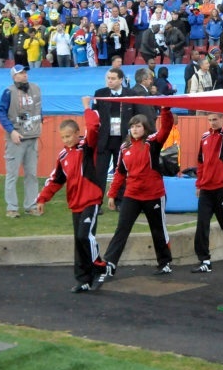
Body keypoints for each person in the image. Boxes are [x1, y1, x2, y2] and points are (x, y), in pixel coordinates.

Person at [93, 109, 175, 288]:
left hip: (154, 195)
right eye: (132, 127)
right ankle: (110, 264)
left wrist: (166, 110)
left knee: (158, 229)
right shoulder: (124, 148)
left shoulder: (152, 142)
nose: (135, 130)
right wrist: (112, 194)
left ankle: (165, 263)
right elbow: (120, 173)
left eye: (138, 126)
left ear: (145, 129)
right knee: (121, 229)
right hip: (132, 194)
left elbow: (166, 128)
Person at [36, 97, 106, 293]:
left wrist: (86, 107)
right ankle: (83, 278)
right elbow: (56, 180)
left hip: (91, 200)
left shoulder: (87, 146)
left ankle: (100, 268)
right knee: (78, 241)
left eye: (69, 136)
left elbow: (93, 126)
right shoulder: (63, 156)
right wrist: (42, 198)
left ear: (77, 133)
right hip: (75, 203)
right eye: (63, 138)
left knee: (86, 236)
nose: (66, 140)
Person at [0, 64, 43, 218]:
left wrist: (40, 122)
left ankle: (31, 205)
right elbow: (1, 113)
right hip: (16, 138)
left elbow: (38, 108)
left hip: (32, 137)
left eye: (25, 72)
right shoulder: (8, 92)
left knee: (32, 174)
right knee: (12, 174)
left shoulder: (36, 88)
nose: (24, 75)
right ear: (14, 76)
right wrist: (11, 131)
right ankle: (12, 207)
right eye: (21, 73)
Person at [192, 113, 223, 273]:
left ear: (222, 119)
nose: (212, 123)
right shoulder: (204, 137)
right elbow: (200, 162)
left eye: (215, 119)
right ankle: (204, 260)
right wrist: (199, 184)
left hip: (222, 188)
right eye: (210, 120)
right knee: (201, 225)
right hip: (205, 189)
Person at [92, 68, 137, 209]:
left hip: (123, 139)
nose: (110, 81)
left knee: (121, 171)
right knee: (100, 172)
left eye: (113, 78)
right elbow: (95, 116)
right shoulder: (100, 94)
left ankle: (119, 201)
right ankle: (96, 203)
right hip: (104, 139)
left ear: (121, 80)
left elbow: (136, 115)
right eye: (108, 78)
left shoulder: (131, 95)